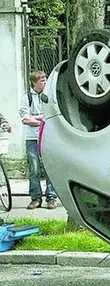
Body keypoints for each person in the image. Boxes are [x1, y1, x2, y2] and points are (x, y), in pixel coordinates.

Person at [19, 70, 57, 209]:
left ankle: (51, 197)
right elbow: (25, 119)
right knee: (34, 169)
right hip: (32, 138)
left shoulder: (50, 96)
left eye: (45, 79)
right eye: (42, 80)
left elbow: (53, 115)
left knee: (49, 168)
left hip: (48, 137)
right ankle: (35, 198)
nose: (45, 82)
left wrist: (37, 118)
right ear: (34, 82)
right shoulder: (26, 98)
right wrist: (42, 120)